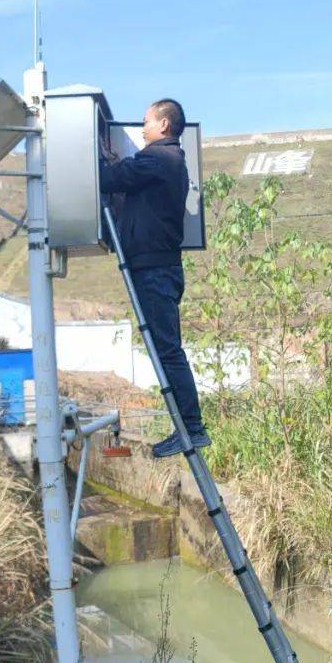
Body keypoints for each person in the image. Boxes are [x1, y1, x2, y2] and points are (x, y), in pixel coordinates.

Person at [99, 97, 209, 459]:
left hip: (155, 270)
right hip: (156, 267)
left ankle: (191, 429)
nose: (141, 129)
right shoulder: (164, 161)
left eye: (145, 122)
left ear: (163, 125)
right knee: (166, 350)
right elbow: (128, 182)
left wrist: (98, 160)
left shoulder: (160, 158)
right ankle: (188, 427)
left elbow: (110, 179)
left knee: (168, 350)